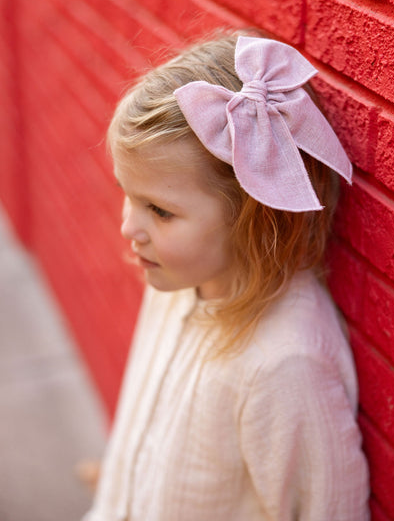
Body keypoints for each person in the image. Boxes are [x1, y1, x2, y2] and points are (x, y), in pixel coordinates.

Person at [83, 33, 370, 521]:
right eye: (128, 195)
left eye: (159, 210)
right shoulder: (176, 280)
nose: (129, 228)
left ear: (254, 216)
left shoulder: (284, 363)